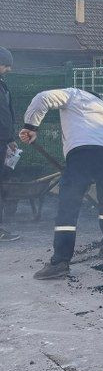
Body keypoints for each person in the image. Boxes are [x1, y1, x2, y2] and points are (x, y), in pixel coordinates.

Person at [19, 88, 103, 279]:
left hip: (83, 152)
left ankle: (60, 262)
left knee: (69, 203)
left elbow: (42, 97)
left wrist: (30, 127)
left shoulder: (75, 94)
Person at [0, 48, 22, 242]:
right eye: (5, 65)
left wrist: (8, 138)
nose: (8, 69)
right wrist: (8, 138)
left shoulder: (2, 84)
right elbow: (2, 116)